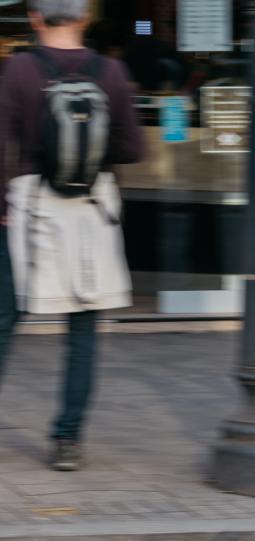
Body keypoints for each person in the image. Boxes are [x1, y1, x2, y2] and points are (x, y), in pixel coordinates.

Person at [0, 0, 144, 470]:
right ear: (85, 18)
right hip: (88, 209)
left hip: (28, 207)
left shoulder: (18, 69)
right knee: (82, 332)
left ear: (36, 18)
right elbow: (131, 147)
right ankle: (67, 440)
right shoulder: (112, 71)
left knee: (5, 320)